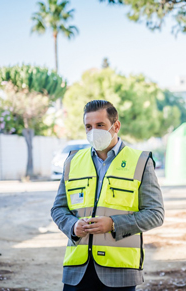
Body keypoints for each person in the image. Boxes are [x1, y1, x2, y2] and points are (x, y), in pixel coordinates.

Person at [51, 100, 164, 291]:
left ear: (116, 126)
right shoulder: (72, 162)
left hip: (120, 272)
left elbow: (155, 214)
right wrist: (72, 225)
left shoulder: (141, 162)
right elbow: (58, 209)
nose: (93, 131)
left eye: (100, 125)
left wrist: (113, 224)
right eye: (88, 126)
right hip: (77, 272)